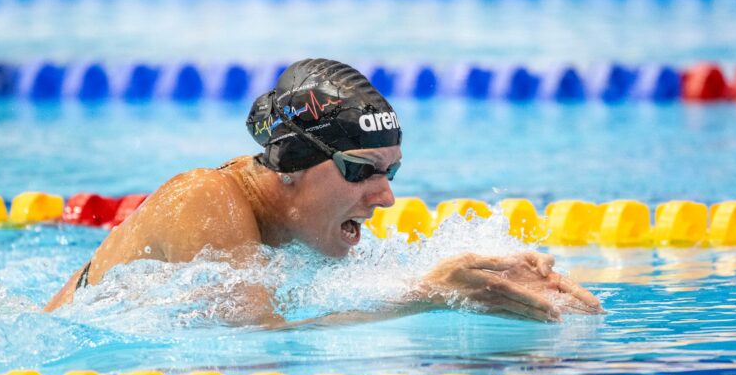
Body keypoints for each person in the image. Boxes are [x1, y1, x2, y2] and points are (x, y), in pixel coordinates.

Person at [45, 58, 602, 325]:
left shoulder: (296, 223)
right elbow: (254, 350)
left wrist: (476, 277)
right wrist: (427, 295)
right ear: (289, 163)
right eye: (361, 171)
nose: (385, 198)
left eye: (392, 173)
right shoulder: (205, 200)